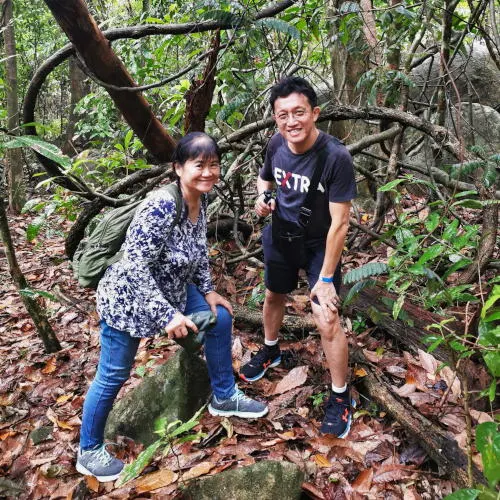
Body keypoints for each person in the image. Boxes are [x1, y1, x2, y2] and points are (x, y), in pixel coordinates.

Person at [77, 132, 268, 483]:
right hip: (127, 300)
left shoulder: (201, 199)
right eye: (199, 165)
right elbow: (134, 266)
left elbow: (196, 249)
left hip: (172, 290)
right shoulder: (162, 204)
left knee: (220, 317)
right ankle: (88, 450)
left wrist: (208, 290)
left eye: (214, 165)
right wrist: (168, 316)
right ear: (178, 168)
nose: (208, 172)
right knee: (113, 374)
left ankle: (224, 396)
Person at [240, 77, 356, 438]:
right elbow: (265, 180)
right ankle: (271, 350)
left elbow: (341, 224)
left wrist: (324, 279)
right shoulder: (276, 143)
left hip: (321, 243)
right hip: (281, 234)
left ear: (315, 113)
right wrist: (262, 198)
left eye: (299, 113)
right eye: (282, 114)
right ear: (275, 118)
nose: (291, 121)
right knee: (274, 294)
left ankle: (341, 397)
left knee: (326, 316)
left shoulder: (335, 157)